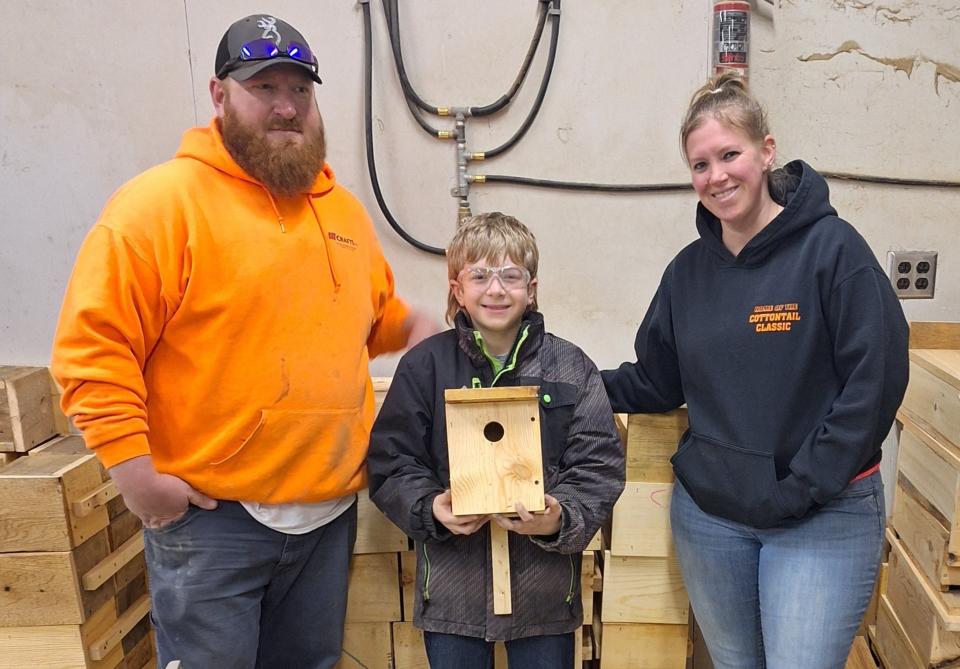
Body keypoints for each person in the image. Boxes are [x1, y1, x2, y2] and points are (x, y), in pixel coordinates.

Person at [51, 13, 434, 669]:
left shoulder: (341, 212)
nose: (287, 107)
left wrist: (415, 328)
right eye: (265, 87)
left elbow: (364, 319)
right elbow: (93, 352)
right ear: (220, 95)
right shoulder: (159, 207)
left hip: (327, 515)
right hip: (213, 522)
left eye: (301, 90)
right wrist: (137, 476)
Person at [602, 72, 909, 669]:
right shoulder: (686, 274)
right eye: (699, 164)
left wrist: (803, 485)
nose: (716, 176)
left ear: (767, 152)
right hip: (713, 519)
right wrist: (565, 383)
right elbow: (657, 381)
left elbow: (873, 384)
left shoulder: (834, 251)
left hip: (823, 514)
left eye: (729, 155)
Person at [366, 213, 624, 668]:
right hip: (452, 596)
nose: (496, 289)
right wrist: (430, 508)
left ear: (532, 286)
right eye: (480, 275)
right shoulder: (424, 368)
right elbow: (392, 462)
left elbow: (598, 465)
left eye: (511, 275)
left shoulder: (570, 368)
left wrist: (561, 517)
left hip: (544, 597)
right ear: (456, 288)